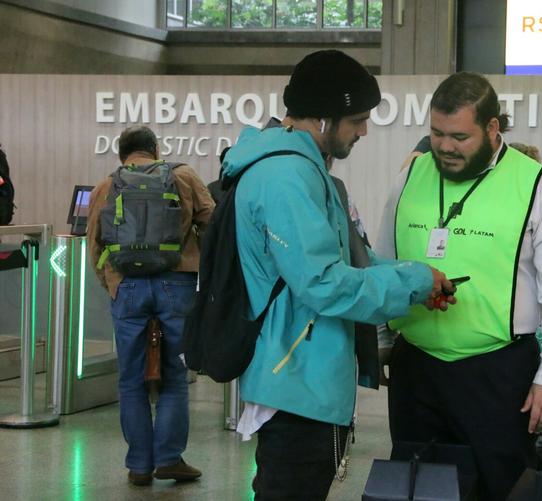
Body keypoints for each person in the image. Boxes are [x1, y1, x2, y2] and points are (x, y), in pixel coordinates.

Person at [222, 49, 454, 501]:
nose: (365, 130)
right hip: (295, 382)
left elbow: (353, 259)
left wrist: (420, 276)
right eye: (357, 119)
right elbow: (326, 283)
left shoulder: (306, 171)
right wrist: (414, 283)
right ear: (325, 119)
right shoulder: (285, 177)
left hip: (307, 379)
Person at [376, 72, 542, 500]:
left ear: (492, 128)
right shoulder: (410, 176)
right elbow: (385, 260)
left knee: (502, 488)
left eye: (459, 136)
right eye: (436, 133)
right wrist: (381, 339)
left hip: (497, 374)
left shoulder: (540, 188)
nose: (445, 147)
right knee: (418, 488)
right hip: (416, 370)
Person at [86, 126, 214, 486]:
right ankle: (170, 459)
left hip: (127, 288)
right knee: (175, 376)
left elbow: (94, 243)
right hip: (178, 283)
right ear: (156, 149)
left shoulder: (106, 186)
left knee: (130, 381)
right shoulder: (183, 176)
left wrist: (112, 284)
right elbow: (213, 221)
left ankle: (140, 465)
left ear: (121, 155)